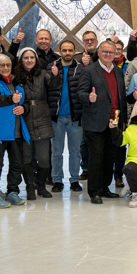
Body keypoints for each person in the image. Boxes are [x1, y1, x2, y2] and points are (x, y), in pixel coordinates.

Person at [77, 40, 128, 204]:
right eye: (105, 52)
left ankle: (105, 188)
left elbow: (120, 96)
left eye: (111, 52)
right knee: (96, 158)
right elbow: (80, 93)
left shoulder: (119, 72)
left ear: (116, 54)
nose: (108, 55)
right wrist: (88, 97)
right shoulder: (89, 71)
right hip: (96, 121)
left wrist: (123, 120)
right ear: (98, 53)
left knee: (109, 157)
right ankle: (94, 191)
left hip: (115, 122)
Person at [0, 54, 29, 209]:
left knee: (17, 163)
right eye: (2, 65)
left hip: (15, 131)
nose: (6, 68)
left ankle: (12, 191)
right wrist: (11, 100)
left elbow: (25, 102)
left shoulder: (16, 83)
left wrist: (24, 108)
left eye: (8, 65)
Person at [14, 48, 54, 200]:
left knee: (44, 158)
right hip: (25, 119)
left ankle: (42, 186)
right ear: (21, 60)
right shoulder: (16, 76)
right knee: (27, 158)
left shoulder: (43, 73)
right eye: (26, 58)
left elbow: (54, 85)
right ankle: (30, 187)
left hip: (43, 118)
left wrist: (56, 75)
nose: (29, 60)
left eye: (32, 57)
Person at [48, 39, 84, 193]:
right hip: (56, 118)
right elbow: (47, 88)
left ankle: (75, 180)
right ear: (60, 51)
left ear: (75, 51)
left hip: (75, 118)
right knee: (56, 151)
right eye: (64, 50)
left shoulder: (81, 69)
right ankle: (57, 180)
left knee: (75, 151)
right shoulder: (51, 67)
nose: (67, 53)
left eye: (70, 50)